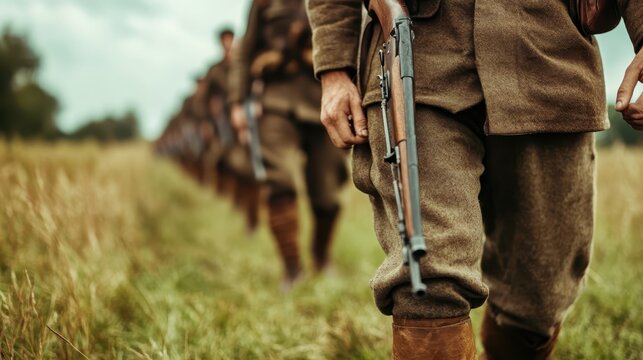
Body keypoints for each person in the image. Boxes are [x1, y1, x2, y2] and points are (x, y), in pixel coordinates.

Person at [306, 0, 643, 358]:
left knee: (539, 293)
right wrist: (334, 69)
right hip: (417, 63)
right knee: (428, 276)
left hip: (549, 61)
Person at [229, 0, 349, 290]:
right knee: (279, 179)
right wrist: (237, 102)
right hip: (275, 101)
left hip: (323, 97)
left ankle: (321, 257)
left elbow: (350, 37)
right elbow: (245, 51)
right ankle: (292, 270)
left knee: (327, 193)